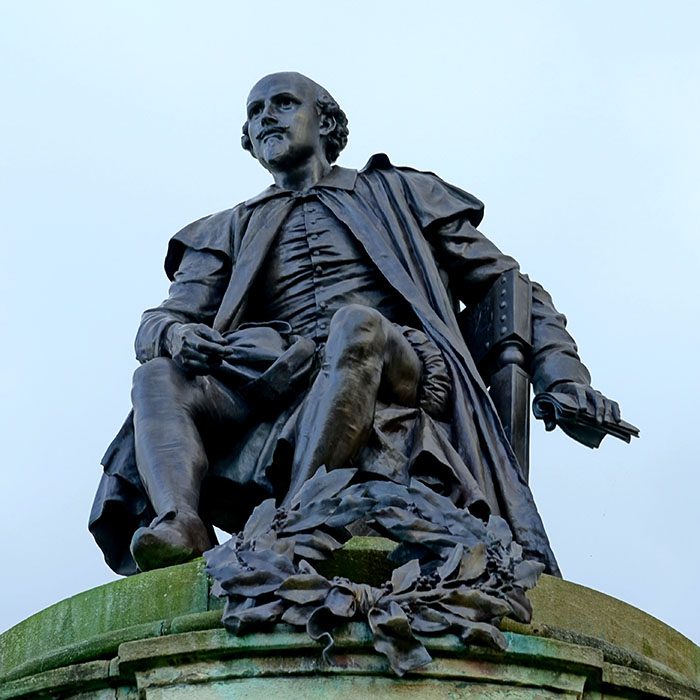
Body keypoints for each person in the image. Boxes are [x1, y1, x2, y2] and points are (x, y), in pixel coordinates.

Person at [89, 72, 621, 577]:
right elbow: (163, 320)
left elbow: (507, 287)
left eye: (283, 103)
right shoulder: (224, 229)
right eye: (254, 112)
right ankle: (181, 522)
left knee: (356, 324)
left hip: (398, 361)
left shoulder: (401, 192)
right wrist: (177, 335)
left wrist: (564, 377)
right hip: (278, 372)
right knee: (155, 375)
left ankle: (292, 520)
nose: (266, 117)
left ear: (324, 122)